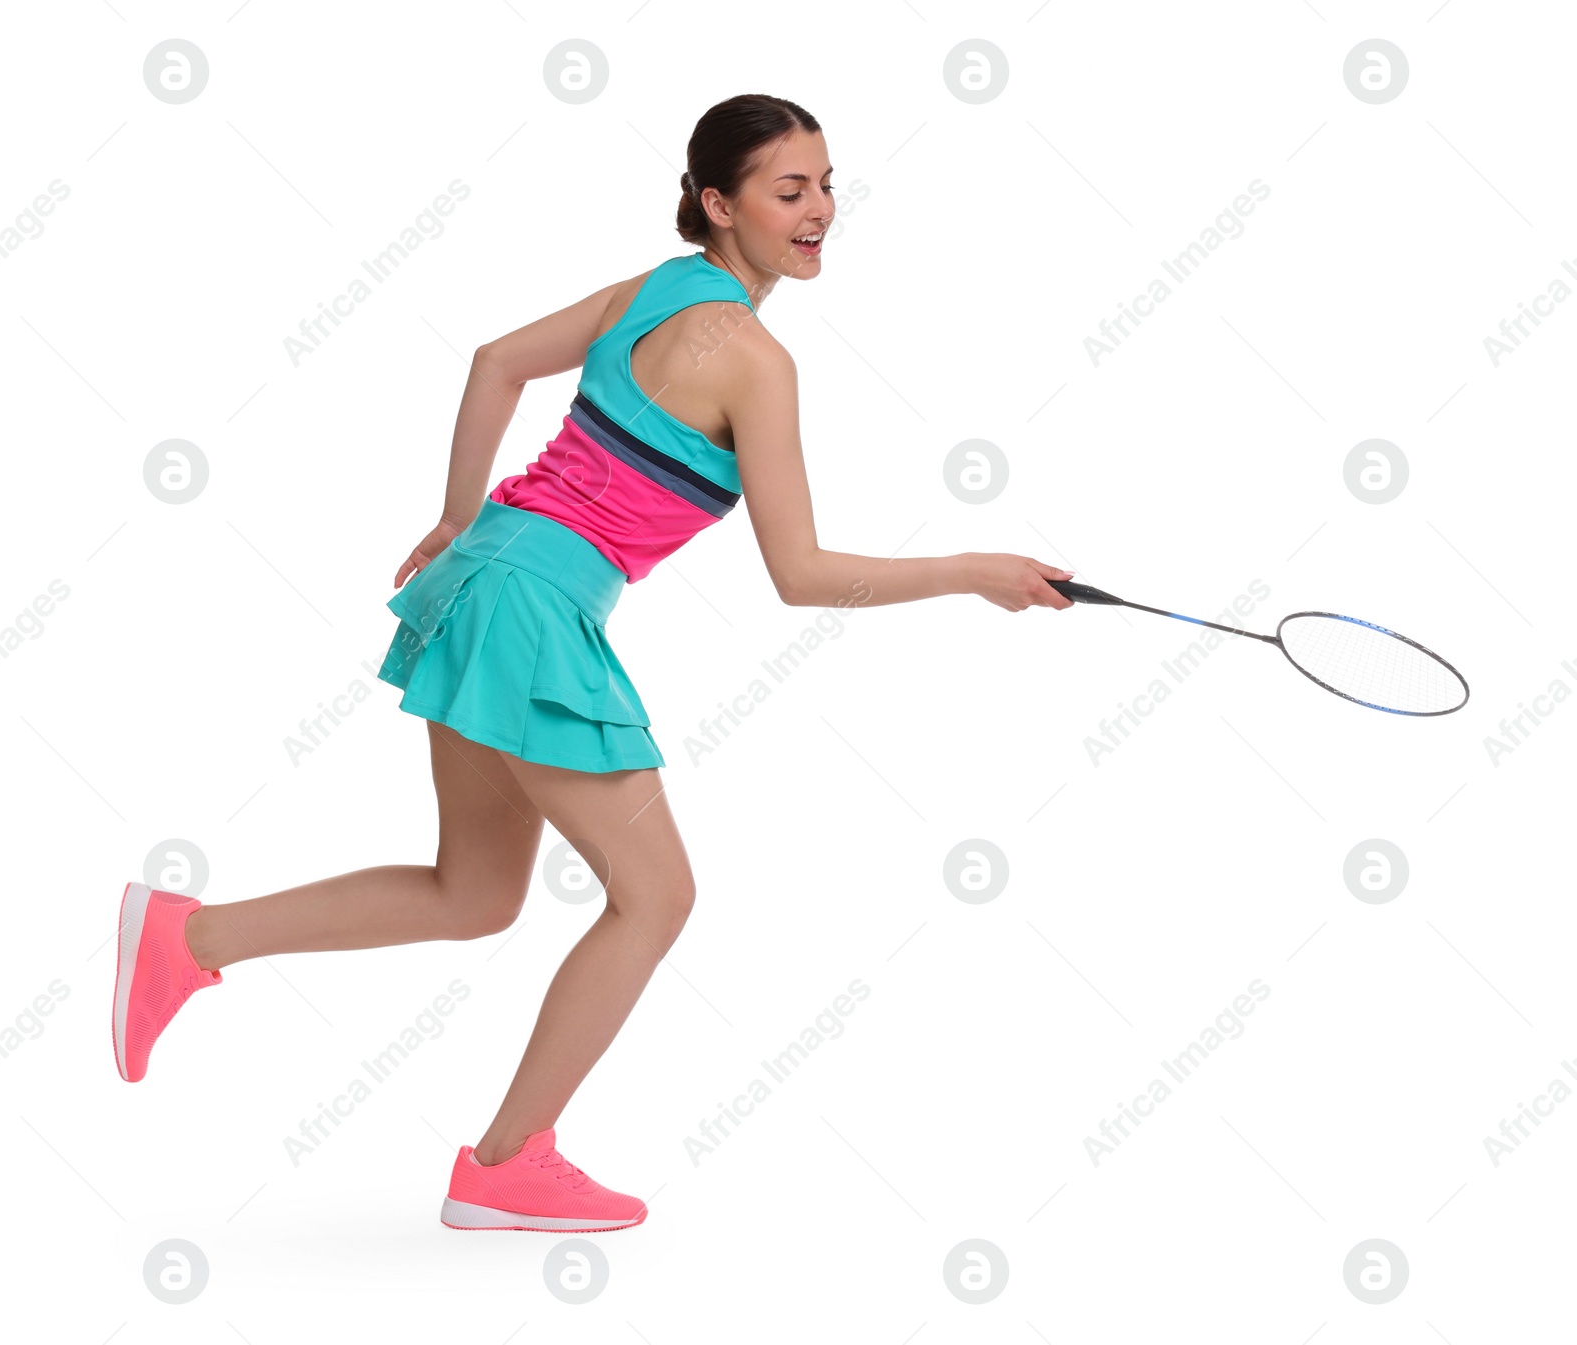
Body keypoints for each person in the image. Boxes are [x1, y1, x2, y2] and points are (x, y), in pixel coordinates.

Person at [109, 92, 1075, 1233]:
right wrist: (977, 570)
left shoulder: (656, 291)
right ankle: (507, 1163)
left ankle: (190, 937)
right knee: (657, 894)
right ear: (718, 205)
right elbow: (800, 574)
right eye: (788, 190)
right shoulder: (755, 360)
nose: (820, 210)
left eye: (825, 185)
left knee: (473, 893)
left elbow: (494, 361)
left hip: (483, 584)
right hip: (530, 612)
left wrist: (459, 516)